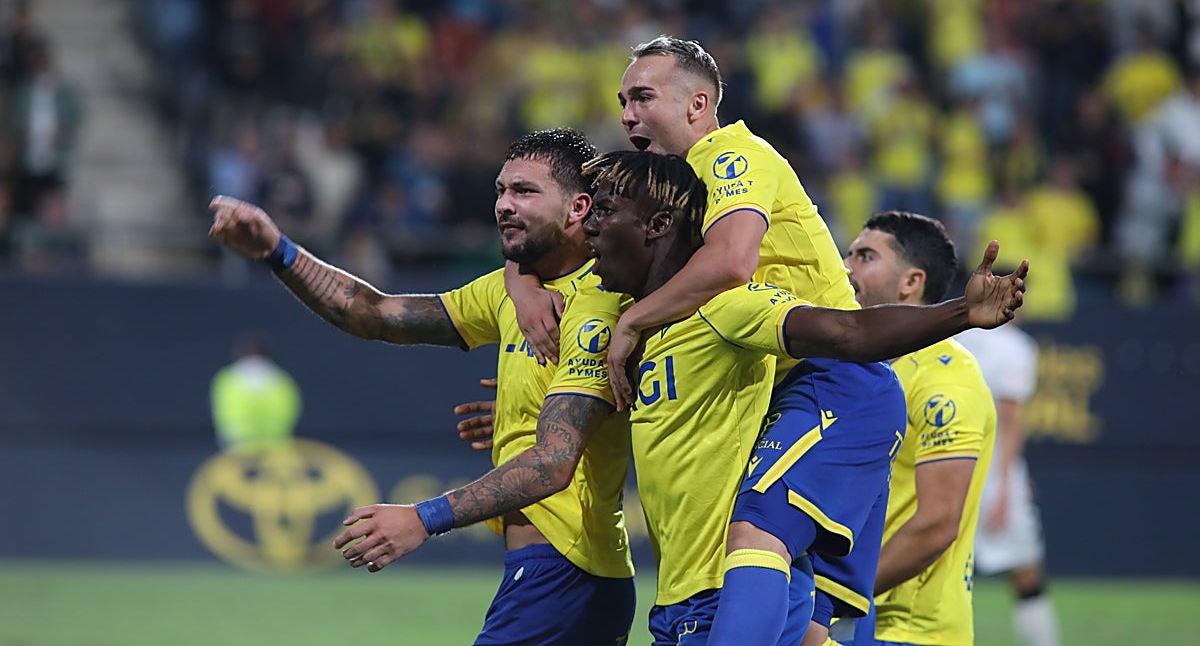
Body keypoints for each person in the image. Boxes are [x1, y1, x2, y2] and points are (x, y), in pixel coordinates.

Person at [578, 150, 1027, 645]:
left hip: (886, 619)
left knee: (761, 532)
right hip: (687, 590)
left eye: (865, 256)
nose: (845, 266)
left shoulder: (733, 311)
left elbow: (847, 331)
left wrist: (961, 311)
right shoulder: (643, 323)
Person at [208, 128, 636, 646]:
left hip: (565, 572)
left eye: (524, 191)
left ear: (578, 207)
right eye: (500, 190)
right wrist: (279, 251)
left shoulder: (600, 305)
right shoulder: (514, 291)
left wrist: (423, 516)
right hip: (559, 576)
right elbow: (377, 314)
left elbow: (552, 463)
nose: (503, 204)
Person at [506, 35, 858, 380]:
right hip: (760, 378)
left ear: (697, 105)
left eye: (643, 98)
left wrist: (634, 320)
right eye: (624, 103)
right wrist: (525, 292)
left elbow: (732, 262)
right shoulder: (655, 183)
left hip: (824, 368)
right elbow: (550, 224)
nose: (627, 116)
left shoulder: (734, 156)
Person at [828, 212, 997, 646]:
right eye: (848, 253)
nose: (846, 267)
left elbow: (938, 523)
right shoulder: (855, 365)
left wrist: (833, 594)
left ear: (911, 283)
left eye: (865, 256)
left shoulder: (946, 378)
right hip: (844, 615)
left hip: (909, 631)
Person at [956, 321, 1061, 646]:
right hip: (992, 475)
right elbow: (1011, 421)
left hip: (948, 466)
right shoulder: (1016, 346)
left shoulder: (956, 335)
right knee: (1027, 574)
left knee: (944, 575)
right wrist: (1007, 486)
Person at [210, 334, 302, 453]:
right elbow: (288, 408)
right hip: (268, 445)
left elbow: (222, 408)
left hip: (240, 444)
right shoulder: (281, 379)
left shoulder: (227, 378)